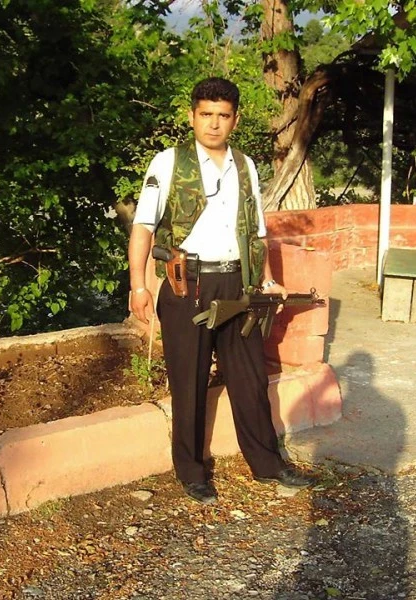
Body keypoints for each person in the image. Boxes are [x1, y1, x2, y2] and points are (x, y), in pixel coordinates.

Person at [127, 77, 312, 505]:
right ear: (192, 116)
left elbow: (256, 232)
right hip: (187, 284)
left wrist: (266, 279)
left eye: (222, 116)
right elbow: (143, 226)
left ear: (235, 120)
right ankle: (191, 471)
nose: (213, 124)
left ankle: (268, 463)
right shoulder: (168, 163)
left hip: (237, 283)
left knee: (250, 377)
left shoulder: (244, 165)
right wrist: (138, 285)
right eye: (206, 114)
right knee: (188, 380)